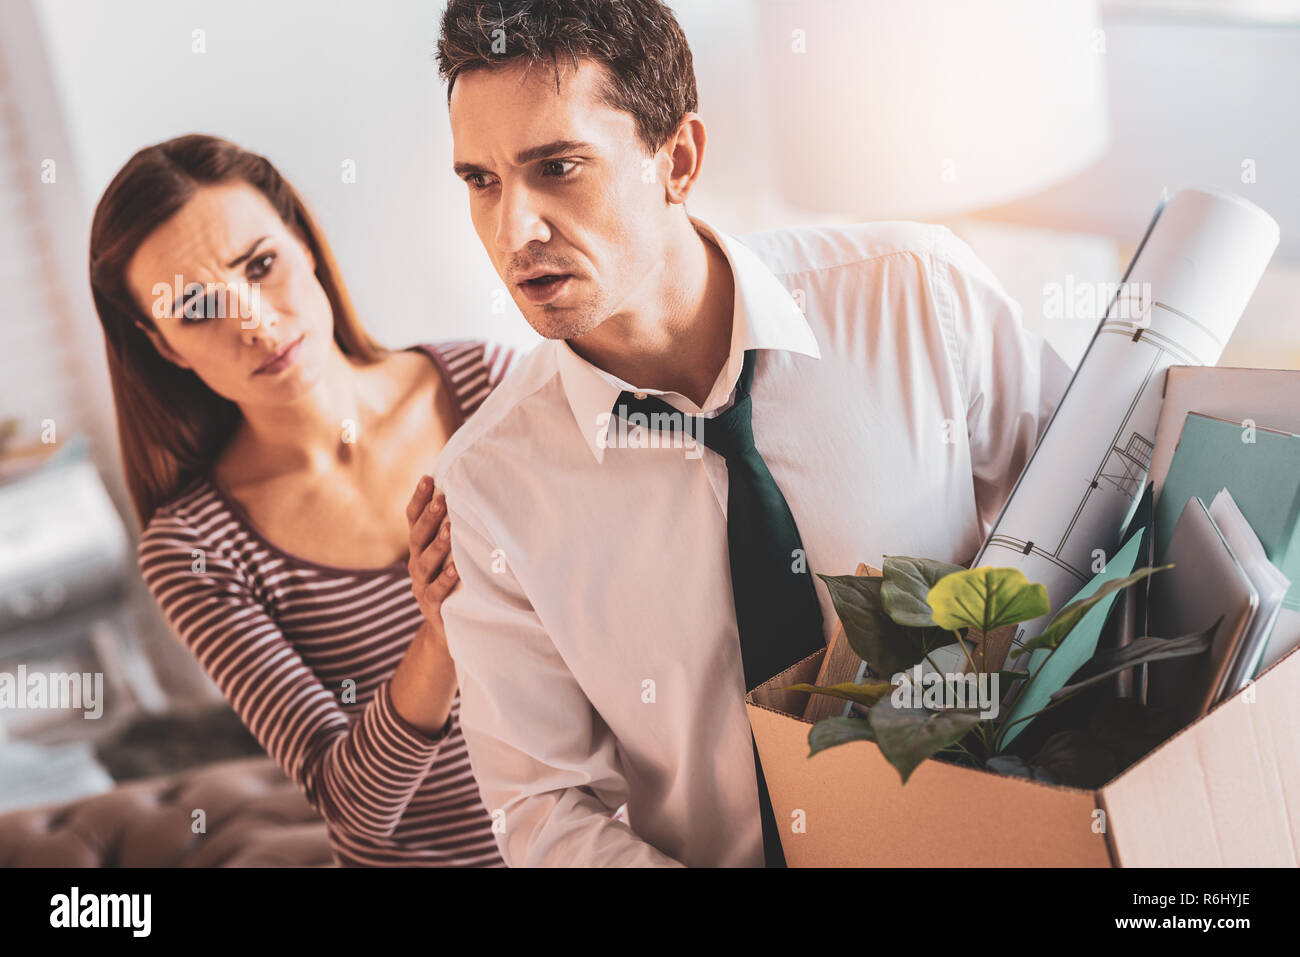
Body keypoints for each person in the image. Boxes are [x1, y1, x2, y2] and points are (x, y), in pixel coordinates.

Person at [409, 0, 1071, 867]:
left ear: (676, 159)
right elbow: (542, 808)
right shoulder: (490, 489)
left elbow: (1100, 537)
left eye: (559, 167)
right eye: (480, 181)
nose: (513, 231)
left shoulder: (919, 296)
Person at [89, 133, 516, 866]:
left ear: (303, 240)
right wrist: (439, 640)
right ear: (163, 345)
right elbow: (353, 807)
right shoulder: (194, 546)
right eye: (195, 307)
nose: (253, 321)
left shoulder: (488, 387)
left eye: (260, 265)